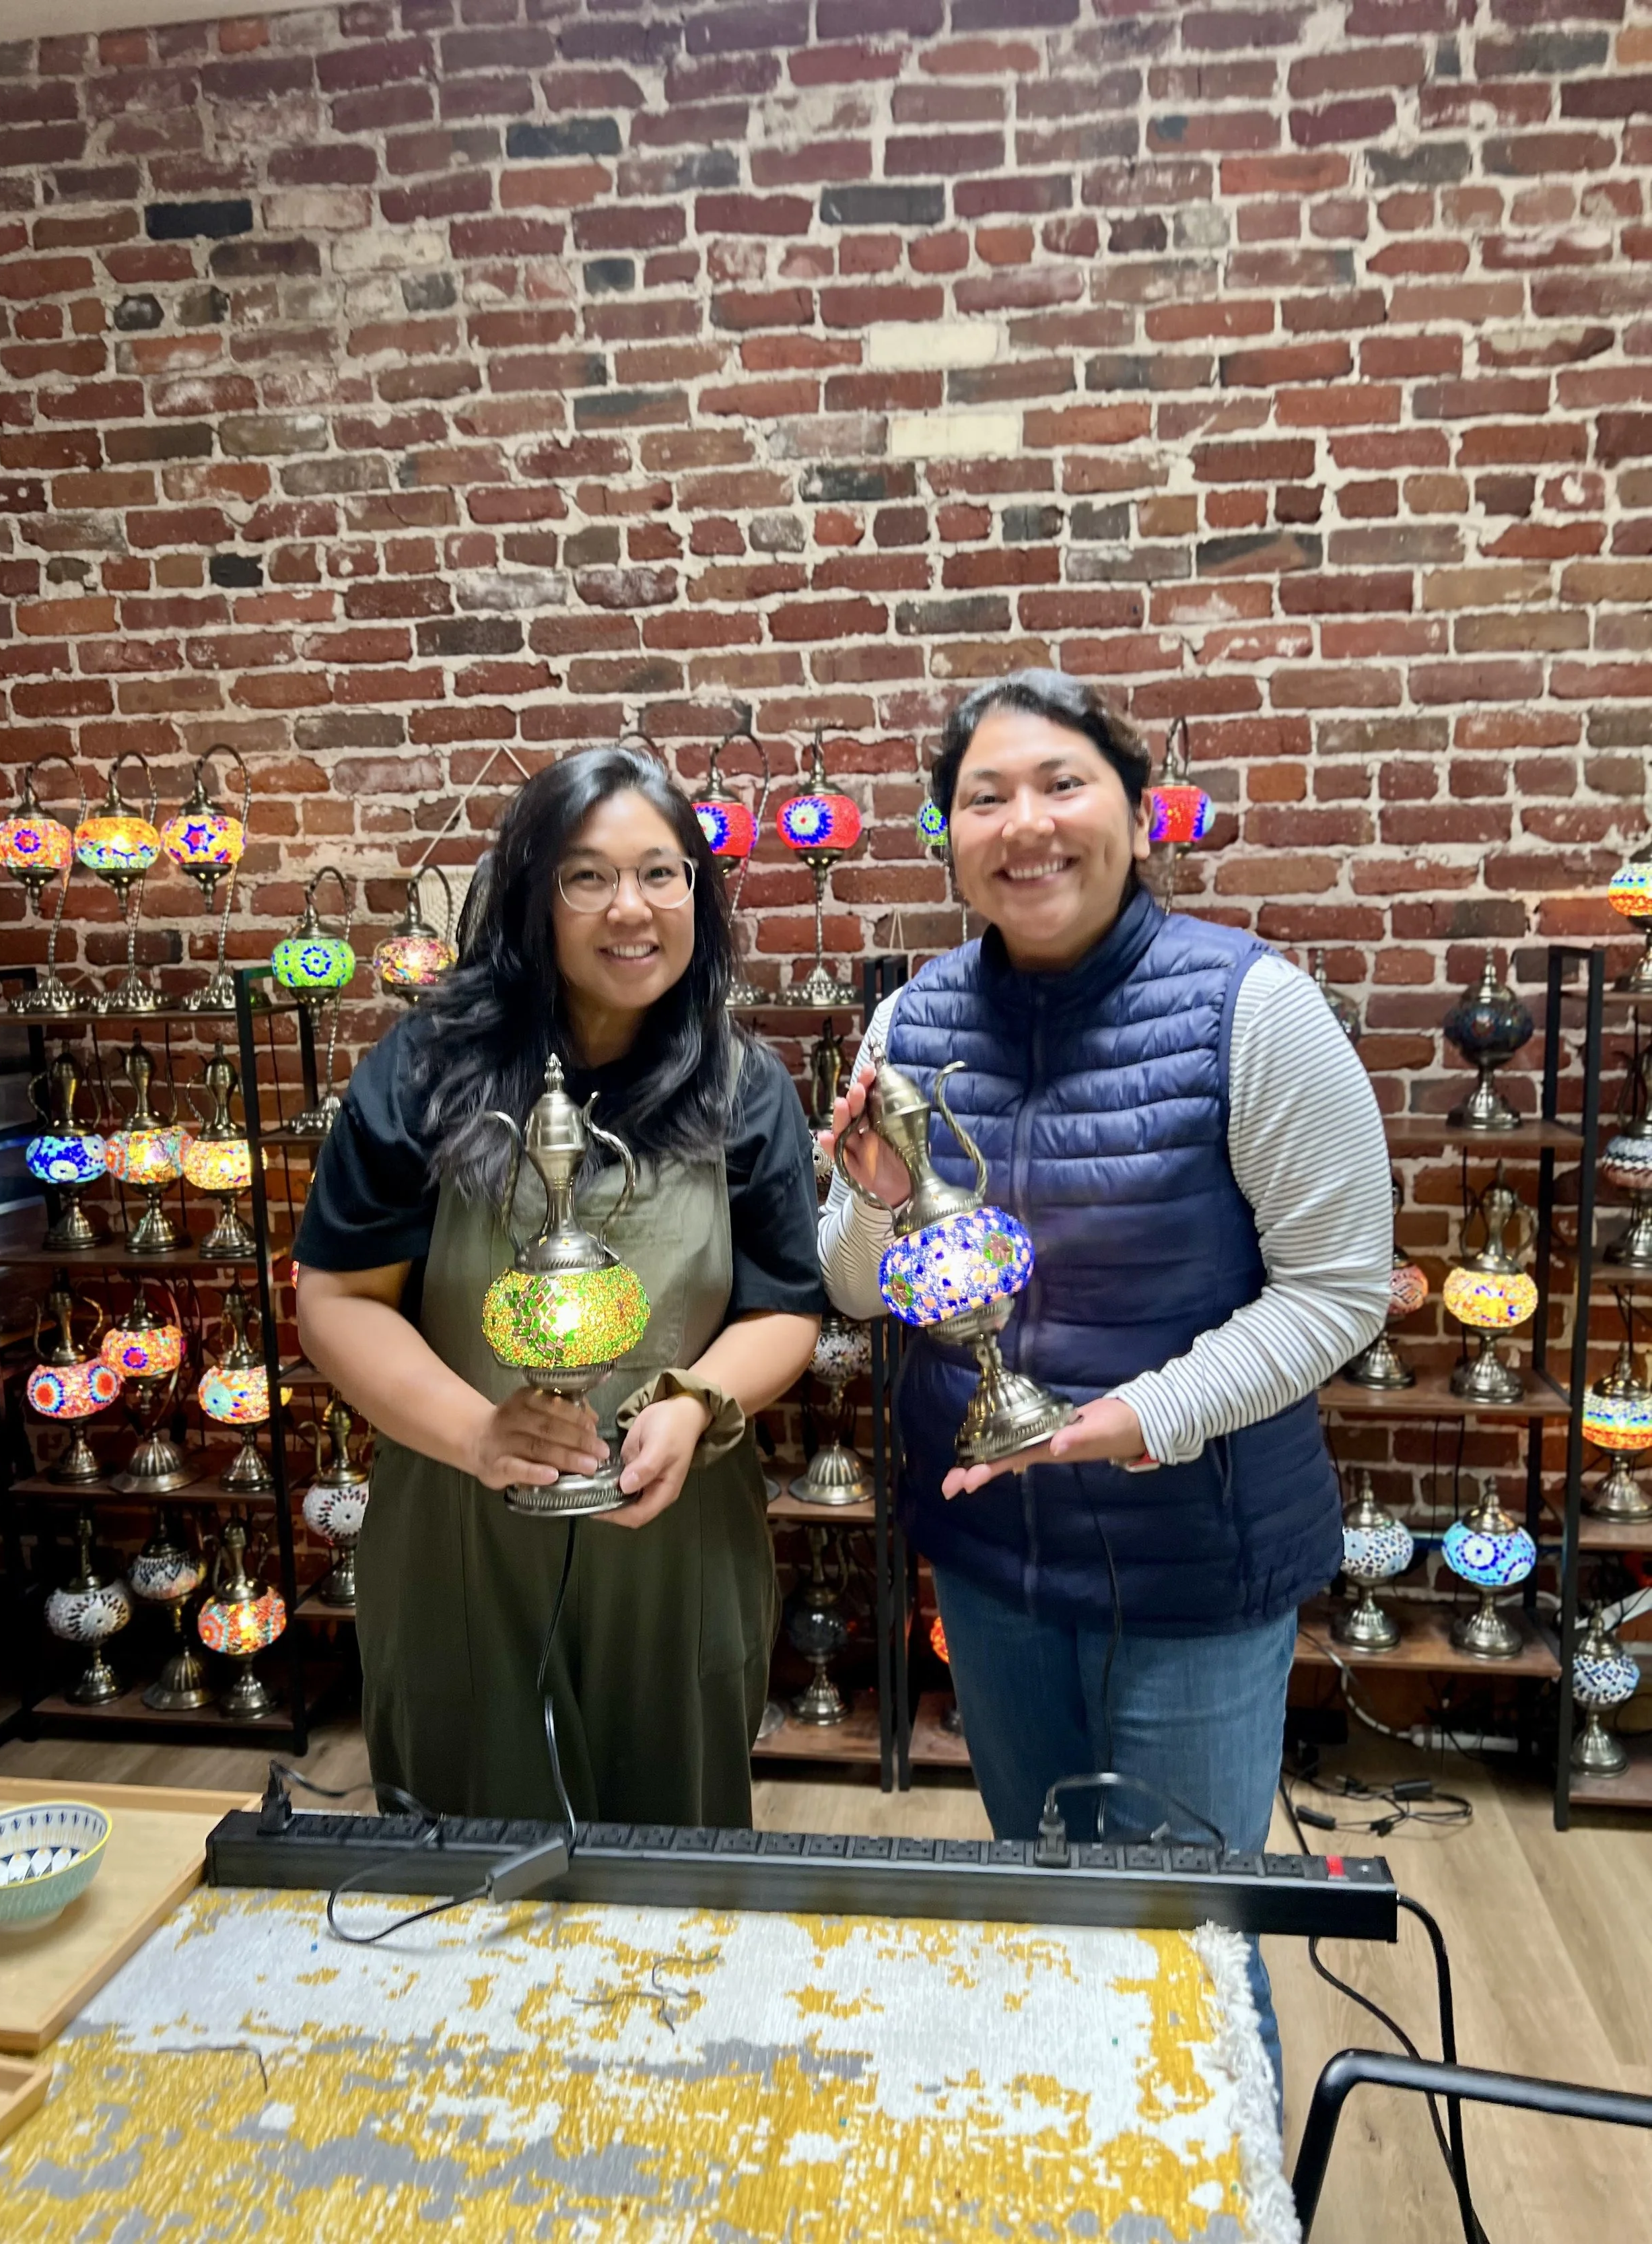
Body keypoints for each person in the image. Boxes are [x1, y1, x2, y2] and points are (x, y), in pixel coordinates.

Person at [819, 670, 1390, 2104]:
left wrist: (1142, 1418)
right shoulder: (905, 1020)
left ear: (1136, 813)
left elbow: (1335, 1290)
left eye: (1060, 784)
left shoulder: (1252, 1005)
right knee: (1044, 1900)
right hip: (993, 1553)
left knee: (1184, 1942)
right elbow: (847, 1283)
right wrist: (874, 1199)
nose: (1025, 824)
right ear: (943, 835)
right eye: (982, 797)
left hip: (1191, 1562)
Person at [296, 745, 823, 1829]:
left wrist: (695, 1402)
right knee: (466, 1858)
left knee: (671, 1861)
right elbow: (338, 1301)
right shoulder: (425, 1070)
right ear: (532, 894)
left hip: (674, 1530)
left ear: (697, 895)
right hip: (459, 1531)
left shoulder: (744, 1086)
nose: (630, 908)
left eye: (662, 873)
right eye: (587, 876)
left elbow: (784, 1309)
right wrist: (479, 1436)